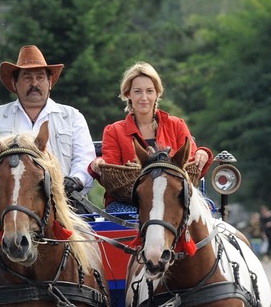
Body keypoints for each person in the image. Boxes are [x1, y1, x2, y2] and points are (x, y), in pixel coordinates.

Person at [0, 45, 95, 196]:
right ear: (14, 83)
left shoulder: (72, 117)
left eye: (40, 77)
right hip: (10, 205)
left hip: (66, 202)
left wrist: (75, 180)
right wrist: (1, 185)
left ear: (50, 82)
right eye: (27, 77)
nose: (34, 84)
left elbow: (85, 158)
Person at [88, 61, 213, 213]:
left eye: (149, 91)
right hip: (128, 203)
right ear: (128, 94)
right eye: (137, 91)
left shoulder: (177, 125)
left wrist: (203, 153)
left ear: (157, 93)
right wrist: (99, 164)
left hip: (174, 199)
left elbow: (191, 164)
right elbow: (111, 173)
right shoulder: (114, 131)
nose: (144, 97)